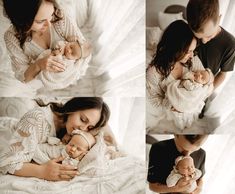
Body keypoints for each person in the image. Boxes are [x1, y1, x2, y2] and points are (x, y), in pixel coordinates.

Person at [0, 97, 110, 181]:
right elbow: (8, 163)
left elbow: (101, 139)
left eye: (89, 127)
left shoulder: (75, 134)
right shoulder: (36, 119)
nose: (83, 129)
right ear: (73, 108)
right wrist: (42, 171)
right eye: (82, 119)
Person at [3, 0, 90, 89]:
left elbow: (83, 52)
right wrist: (39, 65)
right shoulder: (12, 37)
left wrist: (67, 68)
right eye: (41, 21)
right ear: (22, 20)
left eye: (51, 15)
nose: (49, 24)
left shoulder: (60, 15)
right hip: (43, 86)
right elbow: (24, 78)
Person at [146, 20, 205, 132]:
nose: (192, 55)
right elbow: (154, 100)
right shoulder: (154, 73)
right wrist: (173, 105)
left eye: (193, 50)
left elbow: (205, 77)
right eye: (188, 51)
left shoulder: (192, 60)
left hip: (192, 109)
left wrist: (206, 78)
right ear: (175, 49)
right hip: (172, 114)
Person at [187, 0, 235, 89]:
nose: (203, 41)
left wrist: (207, 93)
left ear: (219, 19)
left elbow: (223, 74)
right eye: (198, 37)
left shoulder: (230, 44)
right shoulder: (188, 30)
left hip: (202, 91)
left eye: (209, 36)